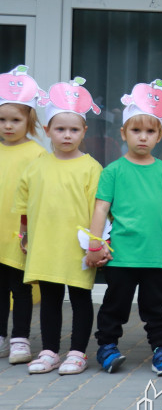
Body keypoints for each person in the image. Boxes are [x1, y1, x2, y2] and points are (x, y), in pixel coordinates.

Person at [87, 80, 162, 376]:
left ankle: (161, 350)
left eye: (150, 131)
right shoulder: (113, 170)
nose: (143, 137)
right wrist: (94, 242)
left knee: (156, 309)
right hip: (122, 255)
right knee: (114, 305)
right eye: (136, 130)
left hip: (156, 256)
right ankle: (106, 346)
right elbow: (101, 208)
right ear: (123, 133)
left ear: (160, 136)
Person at [14, 77, 101, 374]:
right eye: (60, 129)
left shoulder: (91, 168)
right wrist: (24, 236)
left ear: (84, 132)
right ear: (48, 130)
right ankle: (50, 350)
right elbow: (24, 206)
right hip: (46, 245)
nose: (67, 135)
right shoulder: (36, 165)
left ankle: (77, 352)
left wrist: (95, 244)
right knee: (50, 299)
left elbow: (99, 211)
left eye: (74, 129)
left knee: (79, 297)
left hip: (77, 248)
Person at [0, 65, 46, 366]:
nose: (7, 126)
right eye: (2, 120)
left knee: (21, 287)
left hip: (19, 233)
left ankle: (20, 338)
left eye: (15, 120)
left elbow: (40, 197)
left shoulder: (37, 154)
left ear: (28, 121)